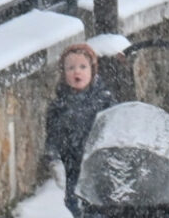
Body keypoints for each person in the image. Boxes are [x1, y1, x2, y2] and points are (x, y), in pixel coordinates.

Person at [44, 43, 116, 217]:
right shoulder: (59, 106)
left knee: (104, 207)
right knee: (76, 204)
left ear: (92, 71)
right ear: (63, 73)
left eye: (83, 67)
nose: (77, 72)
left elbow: (117, 127)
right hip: (74, 168)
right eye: (70, 68)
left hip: (102, 168)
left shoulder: (104, 101)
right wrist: (55, 161)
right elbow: (53, 136)